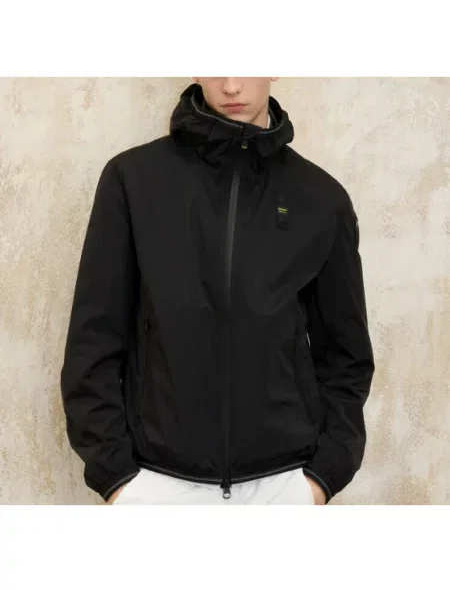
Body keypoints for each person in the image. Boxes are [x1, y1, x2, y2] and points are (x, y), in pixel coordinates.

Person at [60, 77, 375, 506]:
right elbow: (93, 339)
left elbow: (346, 357)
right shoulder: (132, 180)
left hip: (281, 485)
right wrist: (117, 478)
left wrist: (322, 477)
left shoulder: (321, 199)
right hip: (158, 484)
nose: (231, 85)